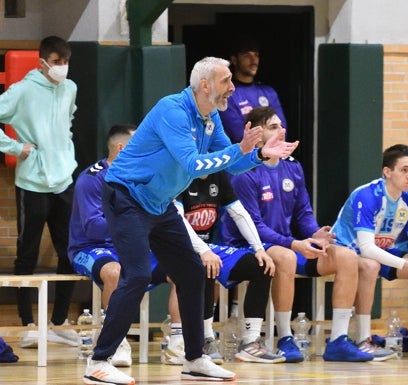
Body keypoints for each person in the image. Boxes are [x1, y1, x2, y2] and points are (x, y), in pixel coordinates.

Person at [82, 57, 298, 385]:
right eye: (226, 81)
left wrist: (261, 155)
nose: (233, 87)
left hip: (159, 202)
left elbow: (231, 163)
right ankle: (99, 360)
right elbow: (194, 165)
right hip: (127, 197)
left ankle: (195, 358)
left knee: (192, 272)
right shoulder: (173, 110)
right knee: (137, 276)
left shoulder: (210, 118)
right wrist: (242, 148)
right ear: (206, 85)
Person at [220, 106, 375, 362]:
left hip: (286, 243)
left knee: (346, 256)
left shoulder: (293, 167)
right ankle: (285, 338)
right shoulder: (244, 171)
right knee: (286, 257)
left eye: (281, 126)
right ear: (257, 136)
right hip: (249, 246)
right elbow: (254, 227)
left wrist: (316, 233)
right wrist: (294, 243)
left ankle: (338, 340)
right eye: (273, 127)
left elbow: (302, 212)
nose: (281, 131)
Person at [331, 144, 408, 361]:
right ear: (387, 172)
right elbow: (367, 248)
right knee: (370, 265)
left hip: (382, 251)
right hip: (349, 251)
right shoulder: (367, 195)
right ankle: (363, 339)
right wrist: (407, 265)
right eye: (404, 170)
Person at [68, 124, 174, 367]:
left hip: (131, 243)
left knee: (181, 268)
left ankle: (179, 342)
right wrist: (133, 223)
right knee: (115, 272)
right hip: (90, 247)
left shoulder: (144, 175)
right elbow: (93, 227)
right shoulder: (91, 179)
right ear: (121, 148)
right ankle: (116, 341)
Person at [0, 35, 79, 348]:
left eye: (65, 62)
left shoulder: (70, 88)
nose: (62, 68)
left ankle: (59, 322)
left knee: (69, 252)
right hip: (31, 181)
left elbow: (67, 121)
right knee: (27, 255)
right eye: (57, 62)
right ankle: (28, 324)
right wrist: (16, 147)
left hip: (64, 179)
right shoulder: (21, 90)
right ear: (43, 61)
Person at [167, 170, 286, 364]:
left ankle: (250, 342)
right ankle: (205, 340)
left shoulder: (218, 175)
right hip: (177, 243)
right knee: (204, 264)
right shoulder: (181, 173)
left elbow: (239, 212)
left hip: (208, 246)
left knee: (261, 265)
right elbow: (178, 219)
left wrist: (259, 248)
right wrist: (203, 251)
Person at [218, 36, 288, 143]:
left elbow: (282, 130)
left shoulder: (268, 92)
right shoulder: (227, 94)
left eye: (256, 55)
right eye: (247, 55)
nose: (253, 60)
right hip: (245, 157)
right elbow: (238, 135)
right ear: (234, 60)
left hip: (273, 155)